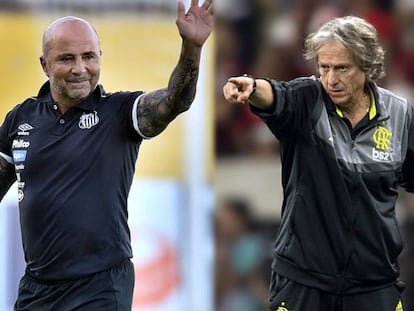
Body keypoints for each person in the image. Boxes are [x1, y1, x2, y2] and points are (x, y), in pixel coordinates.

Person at [0, 1, 213, 310]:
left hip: (99, 285)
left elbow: (174, 101)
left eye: (89, 56)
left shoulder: (120, 112)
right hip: (37, 287)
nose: (80, 68)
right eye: (66, 59)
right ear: (45, 65)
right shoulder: (20, 118)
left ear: (99, 57)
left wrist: (191, 48)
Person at [223, 16, 414, 311]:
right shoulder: (307, 100)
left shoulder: (399, 114)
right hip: (303, 282)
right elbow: (276, 95)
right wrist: (252, 87)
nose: (331, 79)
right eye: (324, 68)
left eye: (342, 68)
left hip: (374, 283)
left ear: (366, 66)